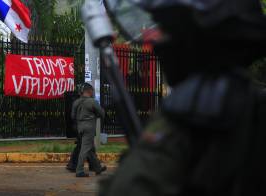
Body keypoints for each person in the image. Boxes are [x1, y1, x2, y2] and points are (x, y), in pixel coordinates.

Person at [98, 0, 266, 195]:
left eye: (167, 30)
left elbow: (129, 187)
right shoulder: (250, 103)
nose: (157, 42)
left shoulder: (191, 111)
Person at [71, 83, 107, 177]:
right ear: (89, 91)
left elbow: (72, 116)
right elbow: (102, 113)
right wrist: (94, 115)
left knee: (90, 149)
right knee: (85, 149)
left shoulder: (76, 102)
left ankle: (98, 168)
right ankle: (79, 171)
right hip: (89, 127)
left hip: (79, 127)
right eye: (92, 91)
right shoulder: (92, 101)